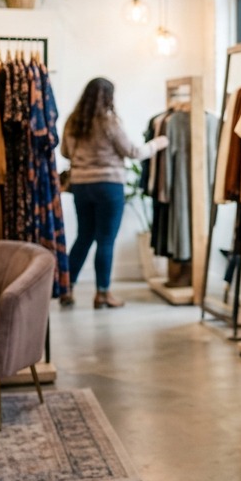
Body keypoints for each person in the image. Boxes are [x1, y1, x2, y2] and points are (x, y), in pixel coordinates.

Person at [61, 77, 167, 309]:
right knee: (105, 240)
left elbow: (65, 152)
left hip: (80, 185)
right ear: (108, 97)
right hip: (108, 185)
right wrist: (159, 143)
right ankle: (102, 294)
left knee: (84, 237)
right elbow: (132, 151)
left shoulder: (73, 121)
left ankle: (66, 288)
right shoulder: (108, 121)